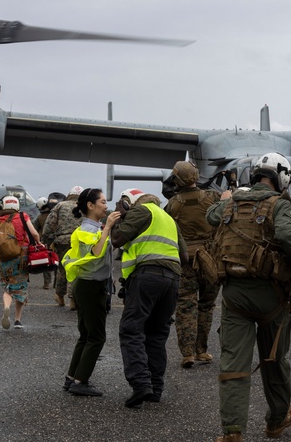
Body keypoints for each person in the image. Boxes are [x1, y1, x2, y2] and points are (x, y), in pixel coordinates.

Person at [206, 152, 291, 442]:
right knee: (275, 357)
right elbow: (288, 234)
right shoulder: (281, 204)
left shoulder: (233, 202)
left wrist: (229, 198)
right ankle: (276, 420)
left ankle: (232, 435)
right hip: (272, 295)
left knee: (233, 362)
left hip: (234, 294)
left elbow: (210, 216)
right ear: (282, 178)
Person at [110, 190, 186, 408]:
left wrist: (118, 217)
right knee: (157, 333)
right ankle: (155, 388)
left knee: (131, 329)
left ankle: (141, 383)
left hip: (147, 277)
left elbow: (117, 239)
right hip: (172, 279)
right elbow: (185, 256)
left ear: (130, 203)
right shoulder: (168, 219)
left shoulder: (141, 210)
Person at [61, 188, 121, 398]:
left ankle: (72, 378)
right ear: (90, 205)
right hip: (90, 286)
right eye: (103, 202)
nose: (106, 206)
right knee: (96, 337)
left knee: (86, 335)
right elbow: (95, 252)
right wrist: (109, 227)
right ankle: (80, 381)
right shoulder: (88, 228)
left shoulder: (94, 227)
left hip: (89, 284)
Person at [162, 160, 220, 369]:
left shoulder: (173, 203)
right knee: (207, 304)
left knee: (186, 304)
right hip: (210, 258)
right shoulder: (213, 198)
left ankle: (187, 354)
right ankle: (201, 351)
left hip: (185, 259)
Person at [0, 194, 41, 330]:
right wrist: (39, 242)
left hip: (4, 259)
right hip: (21, 256)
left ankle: (6, 307)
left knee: (8, 286)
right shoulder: (22, 217)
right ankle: (17, 320)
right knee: (20, 287)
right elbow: (34, 233)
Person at [42, 186, 84, 308]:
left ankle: (60, 296)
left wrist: (47, 240)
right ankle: (73, 299)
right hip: (80, 241)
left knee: (62, 269)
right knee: (76, 269)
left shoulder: (60, 206)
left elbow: (49, 225)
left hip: (62, 241)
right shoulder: (85, 206)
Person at [35, 195, 58, 290]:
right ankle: (56, 284)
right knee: (57, 262)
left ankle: (47, 284)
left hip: (45, 242)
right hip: (57, 241)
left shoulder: (39, 217)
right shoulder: (55, 215)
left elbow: (35, 230)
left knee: (47, 262)